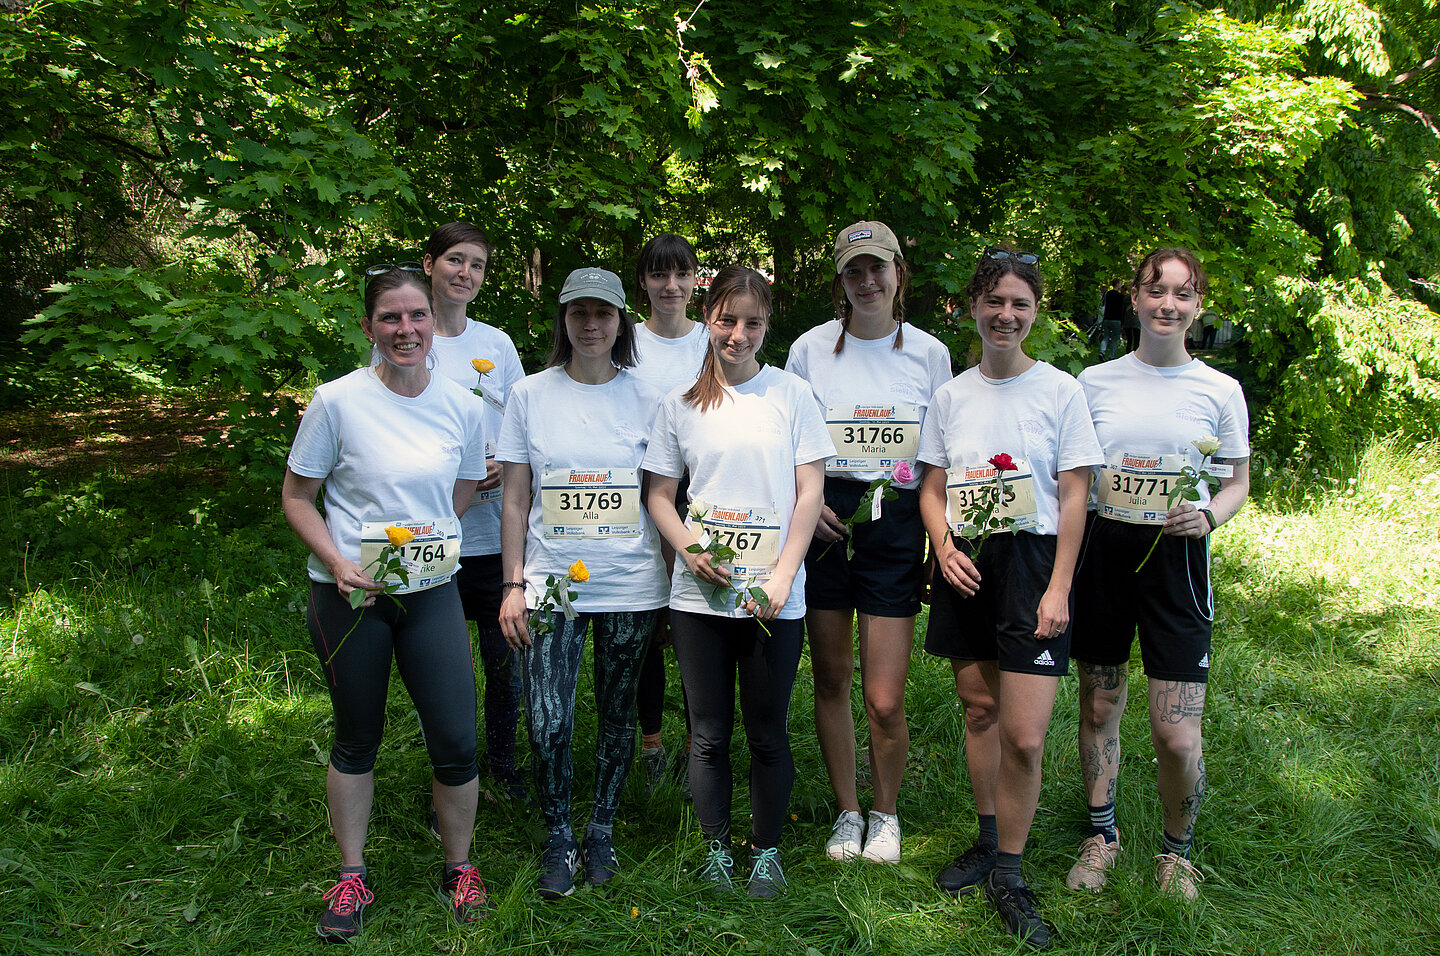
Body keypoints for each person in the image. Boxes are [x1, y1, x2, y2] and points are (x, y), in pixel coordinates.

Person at [281, 264, 490, 941]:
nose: (406, 330)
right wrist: (340, 561)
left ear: (434, 323)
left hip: (430, 595)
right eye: (391, 318)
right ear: (370, 327)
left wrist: (431, 537)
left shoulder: (463, 404)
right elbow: (296, 497)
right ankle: (350, 874)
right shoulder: (337, 401)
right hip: (351, 597)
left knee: (457, 738)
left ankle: (458, 867)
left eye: (417, 317)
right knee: (357, 736)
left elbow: (460, 493)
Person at [919, 247, 1101, 950]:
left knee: (1025, 735)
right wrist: (942, 547)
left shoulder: (1061, 390)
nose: (1006, 315)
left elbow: (1077, 491)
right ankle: (990, 842)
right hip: (968, 559)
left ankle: (1012, 876)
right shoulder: (952, 395)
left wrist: (1059, 587)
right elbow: (932, 488)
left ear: (1035, 312)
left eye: (1020, 304)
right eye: (994, 302)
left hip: (1033, 563)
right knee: (981, 709)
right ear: (974, 307)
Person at [1064, 248, 1249, 902]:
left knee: (1176, 731)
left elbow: (1236, 483)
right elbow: (1075, 475)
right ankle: (1102, 834)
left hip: (1177, 565)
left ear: (1198, 305)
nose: (1168, 304)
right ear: (1135, 297)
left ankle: (1177, 852)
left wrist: (1209, 516)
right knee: (1100, 703)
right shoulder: (1094, 382)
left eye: (1183, 293)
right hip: (1106, 555)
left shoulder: (1220, 391)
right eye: (1156, 290)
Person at [642, 265, 833, 898]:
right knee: (708, 732)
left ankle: (768, 851)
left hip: (774, 596)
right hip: (702, 596)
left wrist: (784, 576)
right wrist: (691, 550)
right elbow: (661, 496)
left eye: (752, 322)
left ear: (767, 325)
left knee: (768, 727)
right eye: (726, 320)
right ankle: (718, 848)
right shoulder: (681, 405)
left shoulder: (792, 396)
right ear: (707, 320)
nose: (738, 334)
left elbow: (810, 495)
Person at [497, 268, 669, 899]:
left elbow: (662, 496)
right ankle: (558, 833)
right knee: (549, 719)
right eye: (578, 314)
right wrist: (513, 583)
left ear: (622, 320)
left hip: (630, 582)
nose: (590, 325)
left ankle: (600, 828)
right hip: (551, 586)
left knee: (619, 713)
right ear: (562, 321)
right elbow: (515, 501)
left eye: (603, 313)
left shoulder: (651, 398)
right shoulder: (528, 396)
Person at [784, 220, 951, 863]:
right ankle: (847, 812)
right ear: (840, 281)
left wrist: (940, 537)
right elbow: (790, 441)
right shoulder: (809, 350)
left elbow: (939, 454)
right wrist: (813, 501)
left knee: (884, 695)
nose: (866, 282)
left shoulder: (930, 356)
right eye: (854, 271)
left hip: (897, 518)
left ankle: (886, 813)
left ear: (898, 273)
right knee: (830, 676)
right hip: (826, 515)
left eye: (877, 268)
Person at [420, 222, 530, 804]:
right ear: (431, 264)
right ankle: (454, 774)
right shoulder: (410, 336)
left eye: (478, 265)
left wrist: (502, 467)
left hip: (492, 534)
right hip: (429, 532)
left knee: (503, 663)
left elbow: (517, 426)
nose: (466, 274)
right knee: (444, 670)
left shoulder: (498, 344)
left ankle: (504, 768)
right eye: (456, 261)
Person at [628, 234, 708, 793]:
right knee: (646, 622)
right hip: (633, 496)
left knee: (694, 622)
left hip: (698, 498)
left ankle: (696, 742)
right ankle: (650, 742)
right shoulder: (623, 341)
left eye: (681, 274)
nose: (671, 287)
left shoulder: (714, 339)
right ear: (644, 282)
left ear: (696, 278)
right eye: (659, 275)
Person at [1100, 280, 1127, 360]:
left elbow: (1104, 305)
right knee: (1115, 339)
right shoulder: (1120, 296)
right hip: (1116, 319)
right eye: (1120, 284)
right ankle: (1111, 356)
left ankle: (1102, 352)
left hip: (1107, 318)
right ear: (1117, 284)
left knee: (1106, 337)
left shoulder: (1107, 294)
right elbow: (1123, 308)